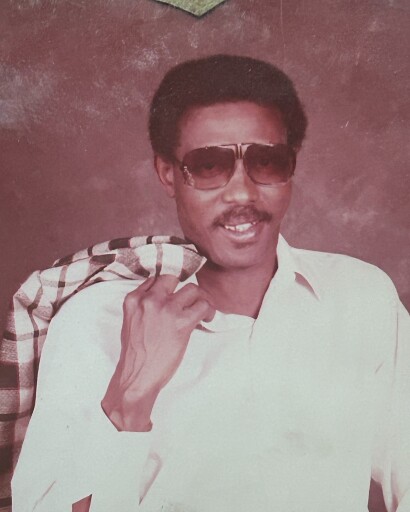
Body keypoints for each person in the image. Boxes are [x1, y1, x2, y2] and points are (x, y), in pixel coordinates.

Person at [8, 54, 410, 512]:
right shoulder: (96, 320)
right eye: (208, 166)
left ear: (291, 167)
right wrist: (131, 394)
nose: (242, 193)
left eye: (267, 161)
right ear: (168, 174)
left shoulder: (361, 298)